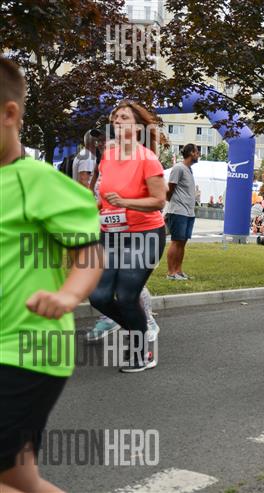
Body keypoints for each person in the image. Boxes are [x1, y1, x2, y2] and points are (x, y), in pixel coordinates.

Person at [0, 56, 103, 493]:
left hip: (27, 349)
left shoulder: (37, 181)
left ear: (9, 114)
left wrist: (68, 295)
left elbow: (89, 253)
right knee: (18, 479)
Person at [87, 100, 168, 372]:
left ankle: (140, 353)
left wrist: (125, 202)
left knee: (126, 295)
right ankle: (140, 329)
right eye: (115, 118)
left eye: (125, 118)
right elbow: (103, 196)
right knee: (98, 296)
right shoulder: (108, 156)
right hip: (111, 235)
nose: (118, 122)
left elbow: (159, 201)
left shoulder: (147, 158)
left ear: (138, 127)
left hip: (144, 235)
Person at [165, 143, 198, 280]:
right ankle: (171, 273)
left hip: (189, 212)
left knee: (182, 242)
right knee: (176, 241)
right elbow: (170, 188)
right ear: (191, 153)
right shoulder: (178, 168)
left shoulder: (189, 169)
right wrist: (171, 203)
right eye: (197, 152)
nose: (198, 155)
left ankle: (178, 271)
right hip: (178, 211)